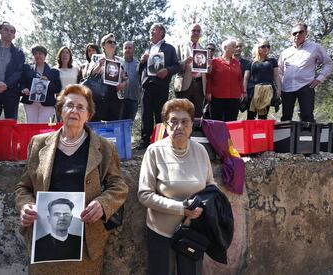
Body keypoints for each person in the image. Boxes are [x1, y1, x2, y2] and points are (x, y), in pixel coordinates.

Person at [15, 84, 128, 274]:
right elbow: (23, 187)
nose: (74, 110)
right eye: (69, 105)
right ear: (60, 110)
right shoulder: (38, 144)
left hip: (86, 239)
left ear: (88, 114)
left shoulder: (104, 147)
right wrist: (25, 205)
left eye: (80, 107)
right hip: (44, 239)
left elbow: (118, 186)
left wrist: (102, 204)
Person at [138, 98, 216, 275]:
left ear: (192, 124)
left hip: (193, 231)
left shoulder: (200, 151)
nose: (179, 126)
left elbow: (211, 186)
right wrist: (181, 208)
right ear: (165, 125)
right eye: (173, 121)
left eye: (184, 121)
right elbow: (144, 195)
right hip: (161, 231)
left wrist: (202, 208)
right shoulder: (154, 151)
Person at [278, 22, 333, 122]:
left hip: (306, 86)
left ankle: (308, 137)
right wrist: (280, 85)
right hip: (287, 88)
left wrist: (319, 79)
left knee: (307, 116)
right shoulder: (285, 52)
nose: (297, 35)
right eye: (294, 33)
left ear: (306, 33)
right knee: (286, 117)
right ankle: (287, 138)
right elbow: (279, 70)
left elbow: (328, 63)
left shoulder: (315, 47)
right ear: (291, 35)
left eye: (300, 32)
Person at [137, 23, 180, 149]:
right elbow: (140, 71)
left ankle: (161, 140)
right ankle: (145, 141)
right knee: (146, 113)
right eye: (150, 30)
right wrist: (141, 62)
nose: (150, 32)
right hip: (147, 85)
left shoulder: (170, 48)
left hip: (161, 85)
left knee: (160, 113)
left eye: (153, 30)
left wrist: (167, 70)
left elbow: (176, 66)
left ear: (161, 31)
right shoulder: (147, 48)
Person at [87, 33, 128, 121]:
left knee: (114, 123)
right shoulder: (96, 58)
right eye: (109, 42)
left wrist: (123, 84)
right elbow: (89, 75)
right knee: (96, 122)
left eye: (114, 42)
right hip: (99, 95)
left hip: (115, 95)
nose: (112, 44)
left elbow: (126, 78)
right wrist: (98, 66)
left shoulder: (121, 61)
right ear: (103, 45)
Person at [21, 45, 61, 123]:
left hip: (47, 104)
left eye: (40, 53)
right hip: (30, 103)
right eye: (35, 53)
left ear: (45, 56)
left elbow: (57, 89)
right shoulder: (27, 68)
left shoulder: (54, 72)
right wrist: (23, 89)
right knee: (31, 125)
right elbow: (22, 82)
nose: (37, 55)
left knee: (42, 126)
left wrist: (48, 82)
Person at [206, 39, 244, 121]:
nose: (235, 49)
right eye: (233, 47)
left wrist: (242, 92)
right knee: (217, 121)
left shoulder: (237, 63)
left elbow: (240, 79)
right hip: (217, 97)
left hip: (234, 97)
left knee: (231, 121)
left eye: (235, 47)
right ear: (225, 48)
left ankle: (229, 134)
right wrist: (208, 92)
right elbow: (209, 78)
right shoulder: (215, 62)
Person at [243, 39, 282, 119]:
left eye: (268, 46)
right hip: (253, 91)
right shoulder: (251, 63)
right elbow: (246, 78)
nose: (266, 48)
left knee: (263, 117)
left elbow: (276, 76)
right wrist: (244, 91)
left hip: (267, 90)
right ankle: (250, 131)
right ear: (258, 48)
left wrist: (279, 89)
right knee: (250, 116)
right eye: (263, 46)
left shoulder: (272, 61)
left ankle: (262, 131)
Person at [174, 23, 206, 118]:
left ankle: (195, 133)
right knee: (182, 112)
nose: (196, 33)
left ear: (200, 34)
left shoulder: (203, 49)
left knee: (197, 113)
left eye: (198, 31)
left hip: (199, 84)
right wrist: (184, 63)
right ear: (189, 32)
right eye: (193, 30)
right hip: (184, 83)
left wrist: (208, 66)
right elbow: (174, 65)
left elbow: (205, 71)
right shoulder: (180, 46)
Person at [121, 41, 140, 121]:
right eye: (125, 48)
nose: (127, 50)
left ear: (134, 50)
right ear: (122, 50)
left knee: (129, 126)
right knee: (118, 124)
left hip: (133, 100)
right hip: (120, 100)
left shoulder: (138, 64)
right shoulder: (118, 63)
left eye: (130, 48)